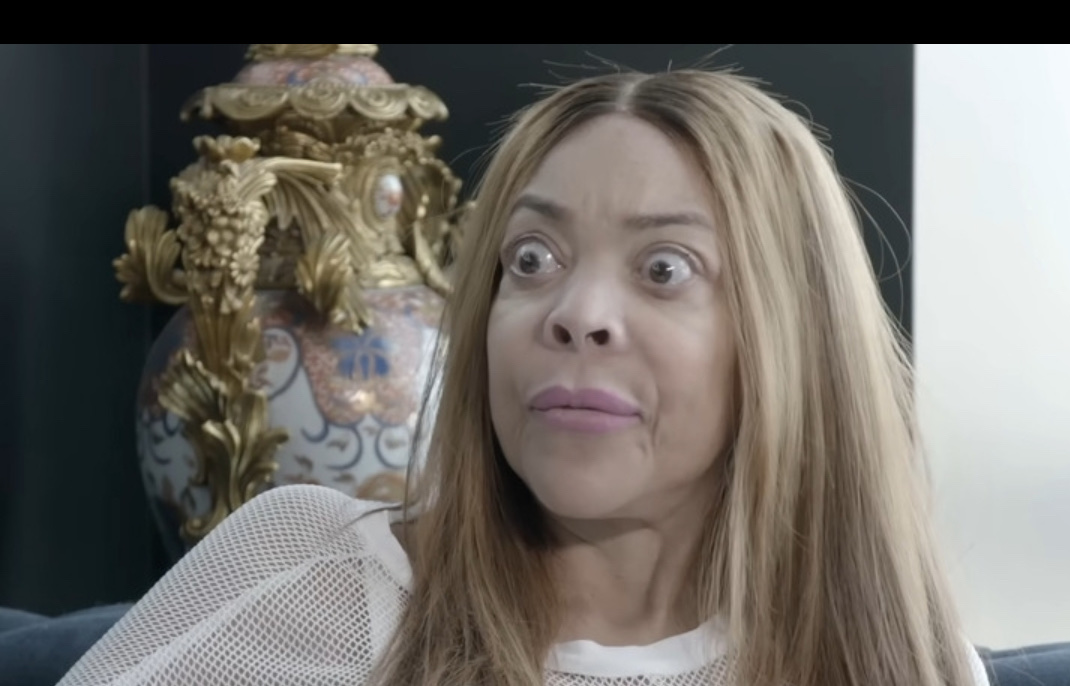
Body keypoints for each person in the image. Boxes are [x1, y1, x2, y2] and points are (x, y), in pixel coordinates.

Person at [59, 68, 991, 686]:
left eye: (664, 268)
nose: (576, 312)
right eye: (533, 258)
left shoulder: (905, 660)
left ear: (794, 337)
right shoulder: (311, 571)